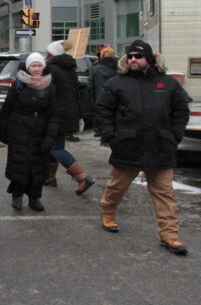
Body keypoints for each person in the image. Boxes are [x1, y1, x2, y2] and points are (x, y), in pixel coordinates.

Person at [96, 40, 190, 255]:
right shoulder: (116, 83)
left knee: (165, 194)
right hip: (128, 146)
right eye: (130, 57)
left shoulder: (168, 84)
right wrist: (112, 137)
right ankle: (108, 212)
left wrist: (174, 136)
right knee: (117, 187)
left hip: (160, 147)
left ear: (148, 58)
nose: (133, 60)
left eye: (137, 56)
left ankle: (170, 236)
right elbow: (102, 111)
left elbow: (181, 111)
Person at [0, 53, 58, 212]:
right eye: (33, 66)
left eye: (39, 66)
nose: (36, 69)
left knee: (38, 167)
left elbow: (53, 114)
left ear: (43, 67)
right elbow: (6, 109)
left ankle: (34, 197)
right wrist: (3, 131)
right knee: (20, 165)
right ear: (28, 67)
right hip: (19, 131)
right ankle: (17, 195)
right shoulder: (18, 85)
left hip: (40, 132)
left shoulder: (50, 87)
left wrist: (50, 135)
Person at [45, 40, 94, 194]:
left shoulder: (52, 69)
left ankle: (82, 177)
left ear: (52, 54)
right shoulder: (68, 68)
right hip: (68, 112)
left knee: (54, 148)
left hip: (56, 113)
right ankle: (50, 177)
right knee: (56, 146)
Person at [88, 46, 118, 145]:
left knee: (102, 116)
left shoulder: (94, 68)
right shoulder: (119, 68)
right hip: (116, 97)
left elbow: (90, 85)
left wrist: (91, 99)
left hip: (99, 97)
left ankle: (103, 136)